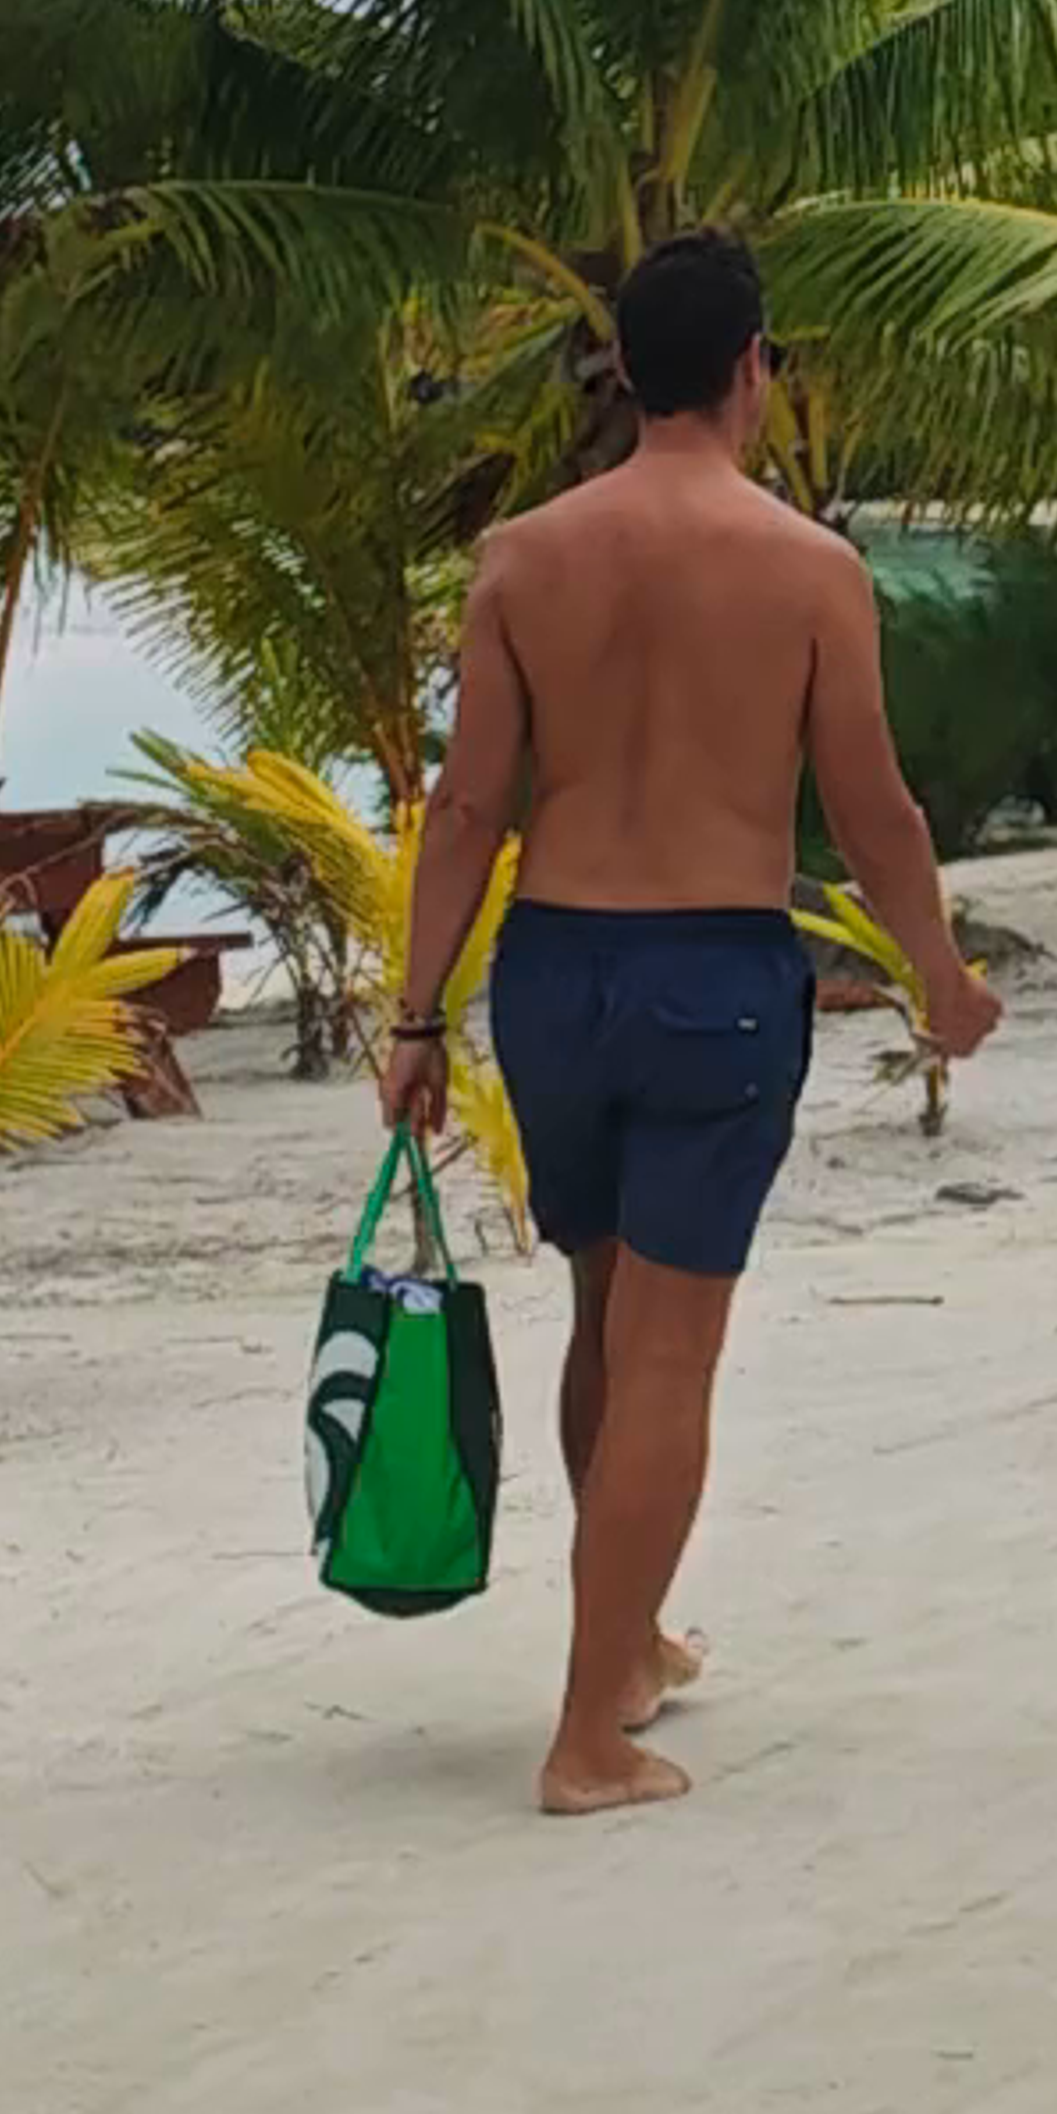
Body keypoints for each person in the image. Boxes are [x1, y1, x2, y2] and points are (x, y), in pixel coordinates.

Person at [381, 230, 1000, 1813]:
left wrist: (410, 1017)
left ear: (622, 375)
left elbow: (467, 806)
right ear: (752, 372)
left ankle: (631, 1640)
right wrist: (939, 974)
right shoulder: (807, 567)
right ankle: (589, 1737)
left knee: (605, 1306)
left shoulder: (522, 556)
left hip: (553, 969)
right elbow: (873, 806)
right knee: (672, 1351)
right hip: (714, 976)